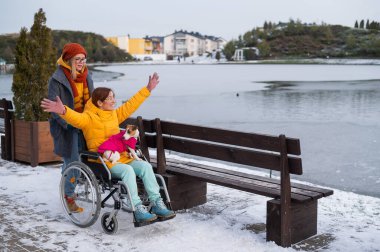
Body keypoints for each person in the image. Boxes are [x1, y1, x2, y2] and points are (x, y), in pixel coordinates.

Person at [41, 73, 176, 224]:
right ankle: (137, 208)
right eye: (110, 98)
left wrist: (148, 89)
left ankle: (157, 203)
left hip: (121, 157)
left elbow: (131, 105)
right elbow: (75, 118)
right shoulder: (88, 118)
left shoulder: (114, 115)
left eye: (113, 97)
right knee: (128, 171)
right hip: (102, 162)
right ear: (99, 102)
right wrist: (64, 111)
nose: (114, 101)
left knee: (144, 166)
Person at [48, 43, 94, 213]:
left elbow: (93, 101)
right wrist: (68, 122)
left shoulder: (87, 76)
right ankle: (69, 197)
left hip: (84, 123)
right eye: (77, 59)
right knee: (74, 161)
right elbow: (53, 109)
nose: (81, 62)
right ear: (69, 60)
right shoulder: (57, 79)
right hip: (67, 127)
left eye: (83, 59)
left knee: (81, 159)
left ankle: (67, 176)